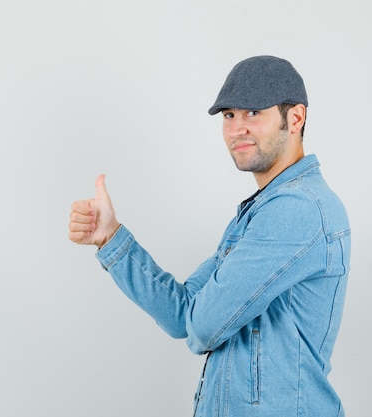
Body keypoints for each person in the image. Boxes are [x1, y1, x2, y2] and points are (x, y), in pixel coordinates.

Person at [69, 55, 351, 417]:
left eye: (253, 113)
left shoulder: (297, 209)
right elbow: (182, 315)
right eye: (229, 115)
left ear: (295, 118)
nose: (236, 128)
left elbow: (202, 327)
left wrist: (199, 318)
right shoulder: (262, 211)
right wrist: (111, 238)